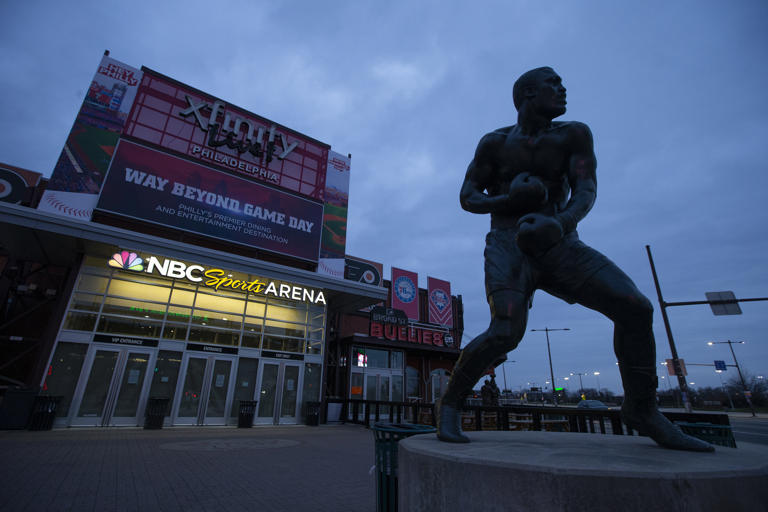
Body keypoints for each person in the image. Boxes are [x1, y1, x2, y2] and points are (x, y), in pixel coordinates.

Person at [437, 67, 712, 452]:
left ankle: (642, 409)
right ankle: (449, 402)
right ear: (529, 93)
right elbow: (468, 196)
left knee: (634, 306)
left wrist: (560, 222)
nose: (563, 90)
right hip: (508, 242)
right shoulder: (494, 144)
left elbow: (586, 189)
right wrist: (509, 202)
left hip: (558, 239)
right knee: (505, 332)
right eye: (554, 83)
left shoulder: (573, 135)